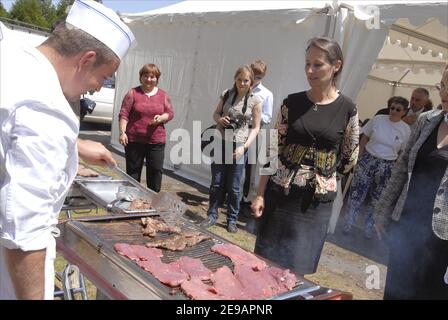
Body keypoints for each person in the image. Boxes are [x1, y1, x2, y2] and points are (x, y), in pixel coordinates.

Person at [0, 0, 135, 300]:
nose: (99, 87)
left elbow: (13, 130)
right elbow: (26, 236)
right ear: (86, 59)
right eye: (103, 76)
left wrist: (74, 146)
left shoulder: (13, 57)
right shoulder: (48, 108)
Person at [251, 37, 359, 275]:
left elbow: (350, 156)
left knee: (296, 272)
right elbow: (272, 151)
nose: (310, 70)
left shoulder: (347, 109)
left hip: (315, 206)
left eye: (318, 64)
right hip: (280, 196)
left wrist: (326, 178)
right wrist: (259, 195)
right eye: (307, 64)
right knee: (265, 265)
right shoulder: (291, 103)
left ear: (336, 66)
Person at [374, 66, 448, 299]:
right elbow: (402, 167)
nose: (444, 92)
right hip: (406, 225)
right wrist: (383, 208)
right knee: (396, 291)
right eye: (443, 85)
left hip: (442, 240)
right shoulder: (426, 120)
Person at [201, 65, 262, 233]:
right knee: (216, 182)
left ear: (251, 82)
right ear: (235, 79)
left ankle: (232, 219)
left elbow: (256, 128)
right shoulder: (227, 94)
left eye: (246, 80)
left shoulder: (255, 101)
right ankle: (212, 215)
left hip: (240, 145)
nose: (242, 83)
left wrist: (244, 147)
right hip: (221, 141)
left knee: (234, 186)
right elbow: (215, 113)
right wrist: (220, 119)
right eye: (239, 79)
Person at [342, 96, 411, 239]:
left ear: (404, 112)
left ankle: (369, 228)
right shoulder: (378, 119)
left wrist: (395, 168)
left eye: (398, 109)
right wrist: (359, 158)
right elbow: (364, 138)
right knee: (356, 195)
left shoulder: (405, 129)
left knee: (377, 200)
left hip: (388, 166)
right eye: (392, 108)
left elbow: (403, 152)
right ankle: (348, 224)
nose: (394, 111)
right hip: (368, 160)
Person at [118, 63, 174, 192]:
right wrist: (122, 133)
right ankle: (131, 200)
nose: (149, 79)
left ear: (157, 78)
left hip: (156, 141)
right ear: (141, 77)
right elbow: (124, 114)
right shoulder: (132, 93)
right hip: (134, 140)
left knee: (155, 171)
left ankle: (153, 202)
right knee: (133, 172)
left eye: (152, 76)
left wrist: (162, 118)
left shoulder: (163, 95)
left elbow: (170, 113)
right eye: (146, 76)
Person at [242, 59, 274, 204]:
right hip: (237, 130)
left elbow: (268, 116)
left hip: (253, 131)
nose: (255, 80)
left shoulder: (266, 94)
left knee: (250, 166)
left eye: (259, 77)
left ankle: (245, 199)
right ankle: (227, 195)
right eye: (254, 76)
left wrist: (254, 118)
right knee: (230, 161)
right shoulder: (242, 87)